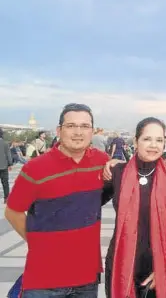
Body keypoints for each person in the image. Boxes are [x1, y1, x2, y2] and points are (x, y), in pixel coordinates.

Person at [5, 103, 109, 297]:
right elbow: (12, 211)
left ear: (92, 131)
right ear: (59, 130)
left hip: (86, 279)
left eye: (85, 126)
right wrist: (36, 242)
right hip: (44, 280)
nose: (78, 132)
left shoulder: (101, 162)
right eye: (71, 126)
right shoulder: (35, 169)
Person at [102, 117, 166, 298]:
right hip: (121, 263)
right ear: (136, 141)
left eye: (159, 140)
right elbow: (89, 204)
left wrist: (163, 268)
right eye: (147, 139)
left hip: (158, 266)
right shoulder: (118, 172)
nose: (153, 145)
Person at [0, 128, 12, 204]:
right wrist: (10, 164)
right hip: (3, 166)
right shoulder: (5, 143)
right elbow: (8, 155)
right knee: (5, 183)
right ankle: (6, 198)